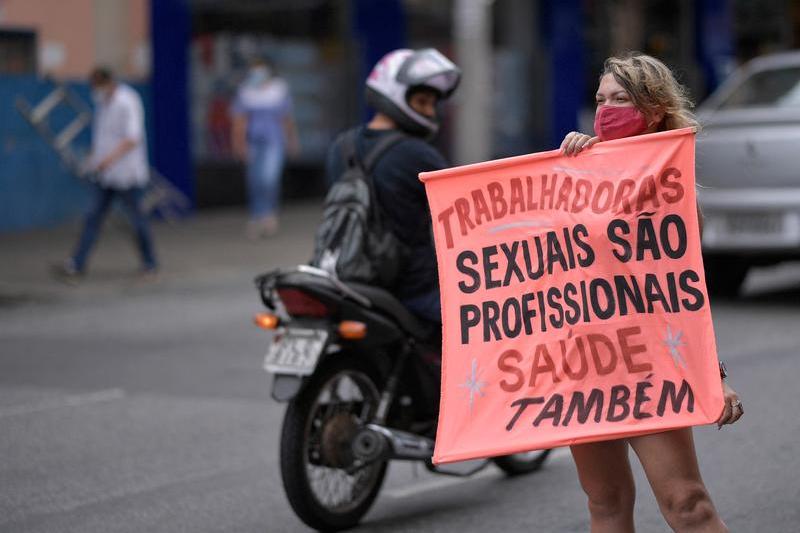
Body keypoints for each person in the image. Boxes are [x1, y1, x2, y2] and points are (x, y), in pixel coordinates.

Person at [560, 52, 743, 532]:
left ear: (655, 110)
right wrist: (571, 169)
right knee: (605, 502)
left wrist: (711, 373)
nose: (606, 110)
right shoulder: (573, 171)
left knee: (687, 504)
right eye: (600, 99)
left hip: (648, 364)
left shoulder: (671, 190)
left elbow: (683, 294)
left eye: (621, 99)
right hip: (583, 363)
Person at [324, 48, 461, 324]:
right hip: (412, 288)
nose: (430, 111)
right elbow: (461, 212)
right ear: (394, 92)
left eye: (432, 104)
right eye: (422, 101)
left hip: (347, 273)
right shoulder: (417, 154)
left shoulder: (342, 146)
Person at [53, 66, 157, 283]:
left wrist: (109, 160)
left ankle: (150, 263)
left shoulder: (127, 101)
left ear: (109, 83)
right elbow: (102, 138)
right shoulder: (103, 104)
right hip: (106, 176)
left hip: (127, 175)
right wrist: (93, 161)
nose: (96, 91)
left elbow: (133, 138)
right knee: (92, 218)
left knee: (136, 221)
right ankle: (77, 263)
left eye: (98, 86)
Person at [231, 58, 300, 239]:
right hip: (253, 141)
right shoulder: (245, 92)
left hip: (274, 141)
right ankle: (256, 216)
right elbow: (239, 121)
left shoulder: (279, 91)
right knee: (254, 180)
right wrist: (239, 144)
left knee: (269, 178)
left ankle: (269, 215)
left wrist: (292, 140)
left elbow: (286, 118)